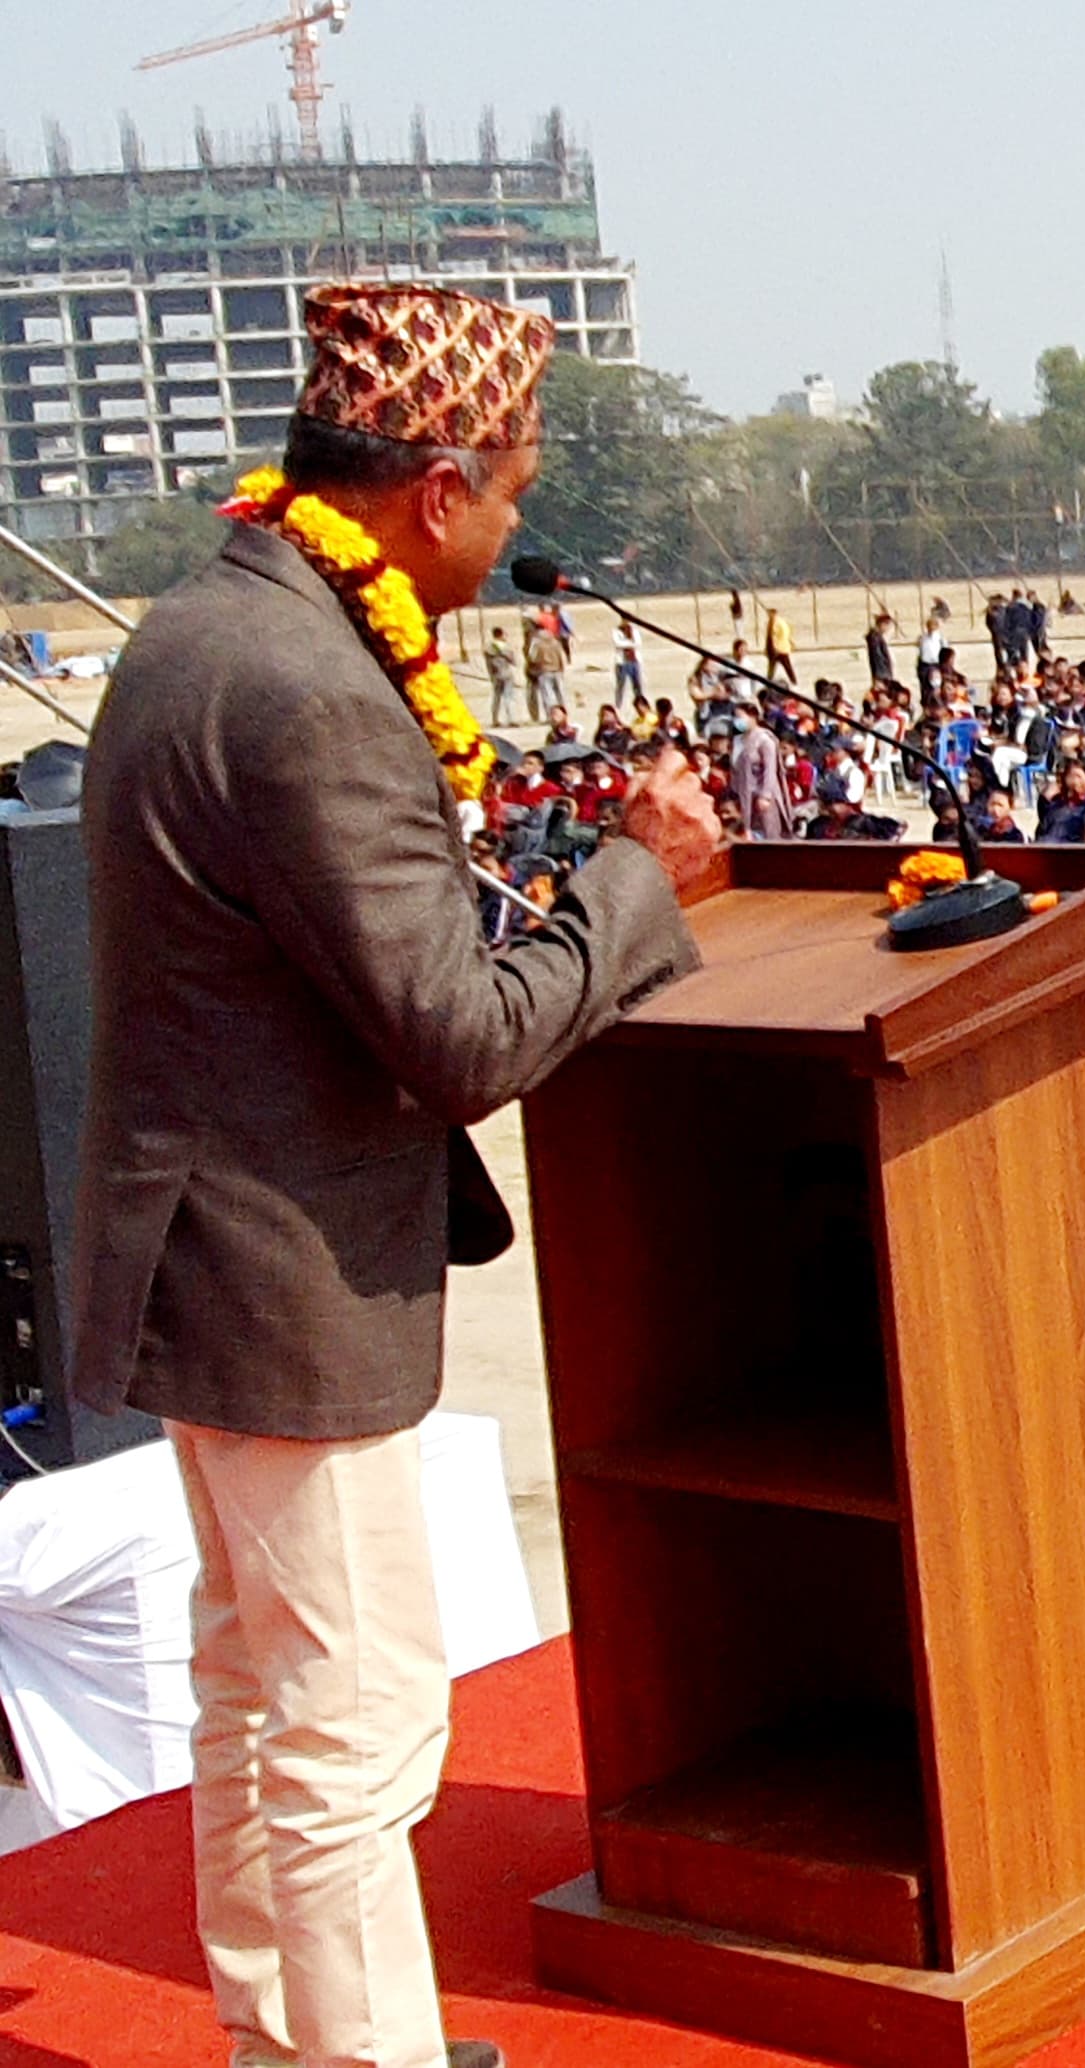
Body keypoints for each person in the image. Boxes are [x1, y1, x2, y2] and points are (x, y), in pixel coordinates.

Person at [73, 281, 719, 2068]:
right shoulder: (310, 691)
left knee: (252, 1689)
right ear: (435, 489)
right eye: (511, 490)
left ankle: (283, 2037)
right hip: (285, 1277)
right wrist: (635, 880)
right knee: (353, 1722)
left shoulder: (208, 625)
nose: (517, 530)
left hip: (203, 1250)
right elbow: (461, 1034)